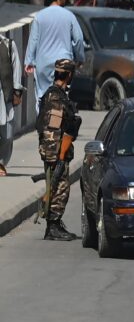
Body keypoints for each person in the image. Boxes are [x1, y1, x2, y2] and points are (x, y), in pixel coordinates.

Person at [36, 59, 81, 241]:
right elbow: (53, 128)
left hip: (53, 149)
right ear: (69, 75)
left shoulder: (52, 94)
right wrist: (58, 155)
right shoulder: (57, 98)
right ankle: (53, 226)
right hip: (56, 150)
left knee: (55, 186)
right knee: (60, 187)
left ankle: (53, 224)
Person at [24, 0, 85, 113]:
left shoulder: (39, 17)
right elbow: (78, 39)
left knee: (42, 97)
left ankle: (43, 127)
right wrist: (79, 58)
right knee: (62, 95)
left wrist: (28, 61)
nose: (65, 0)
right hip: (63, 65)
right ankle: (59, 125)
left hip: (43, 65)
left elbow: (33, 41)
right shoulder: (69, 16)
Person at [0, 35, 23, 177]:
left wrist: (17, 91)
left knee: (7, 135)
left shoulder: (8, 45)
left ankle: (2, 161)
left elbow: (16, 68)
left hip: (5, 95)